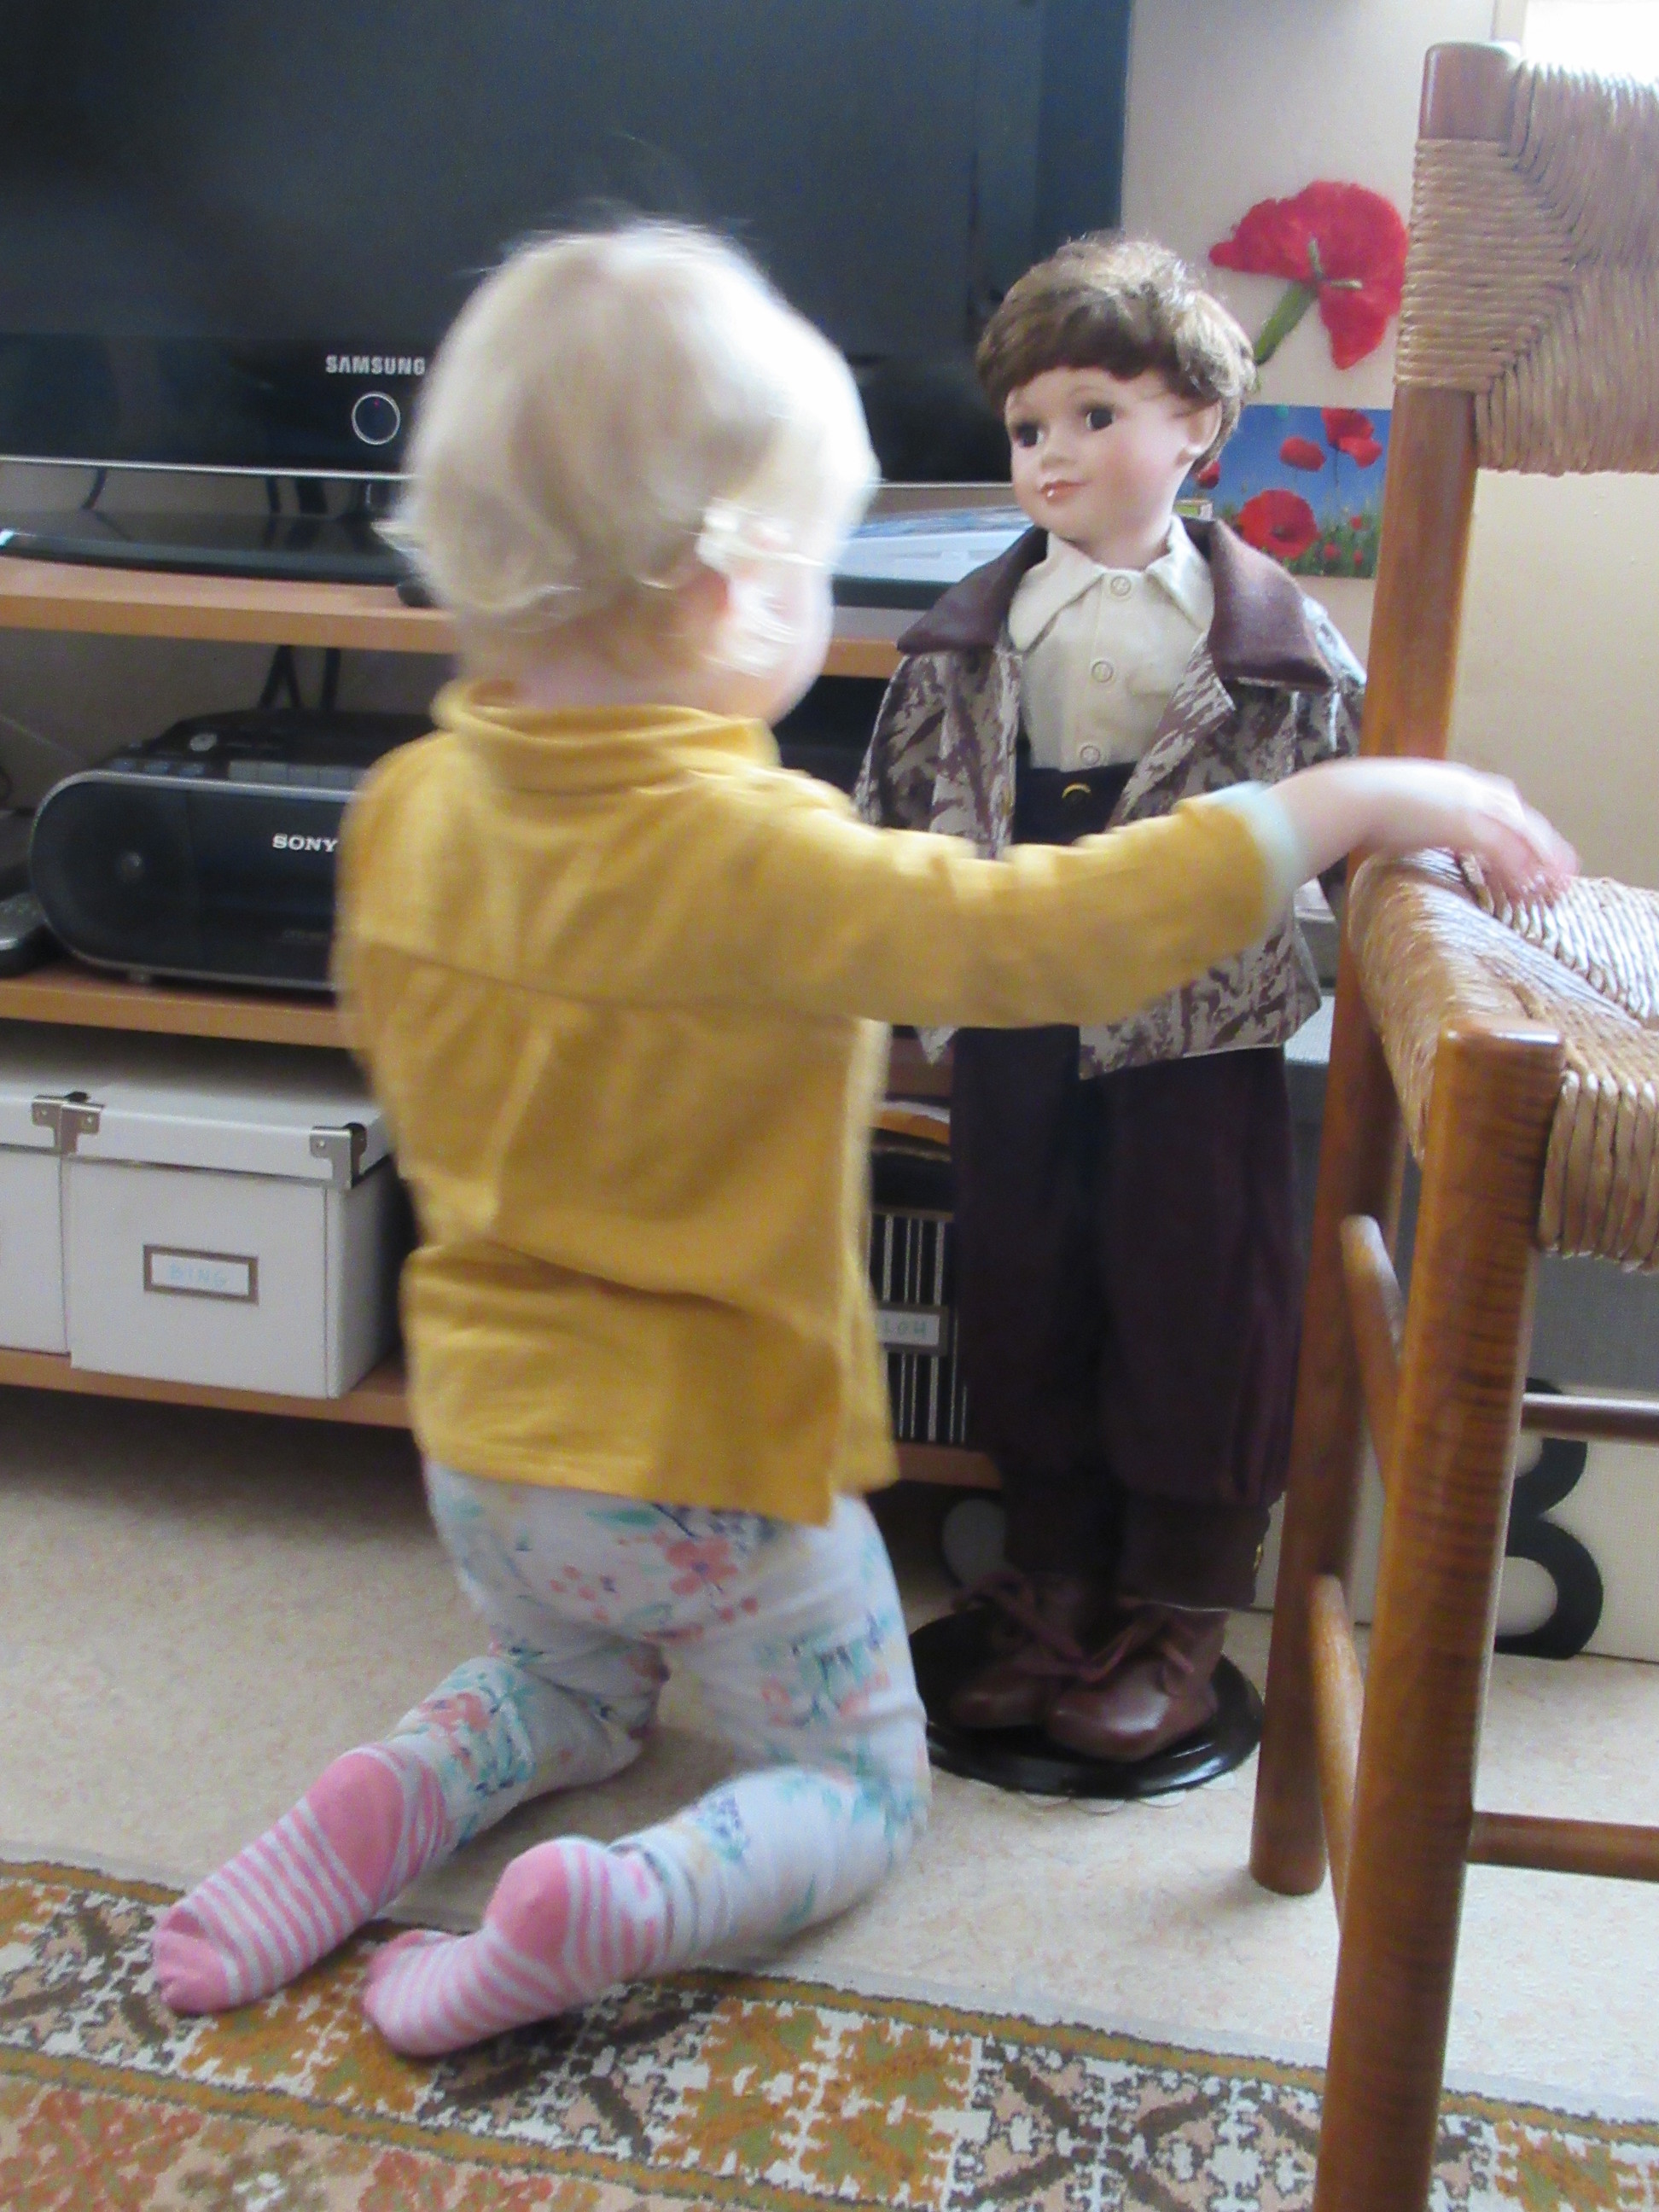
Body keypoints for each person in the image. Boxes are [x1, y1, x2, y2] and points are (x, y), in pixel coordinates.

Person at [149, 222, 1573, 2057]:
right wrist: (1345, 799)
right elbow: (1052, 930)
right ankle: (608, 1905)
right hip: (716, 1465)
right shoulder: (766, 859)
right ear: (732, 590)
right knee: (857, 1785)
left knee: (565, 1683)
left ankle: (377, 1807)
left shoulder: (404, 810)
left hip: (486, 1452)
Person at [853, 235, 1365, 1763]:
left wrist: (1416, 900)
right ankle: (1056, 1580)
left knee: (1199, 1287)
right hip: (1014, 991)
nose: (1053, 453)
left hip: (1193, 1018)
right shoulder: (967, 636)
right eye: (1028, 428)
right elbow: (889, 808)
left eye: (1095, 415)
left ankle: (1181, 1606)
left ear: (1197, 424)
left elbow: (1346, 795)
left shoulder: (1274, 644)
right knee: (1024, 1273)